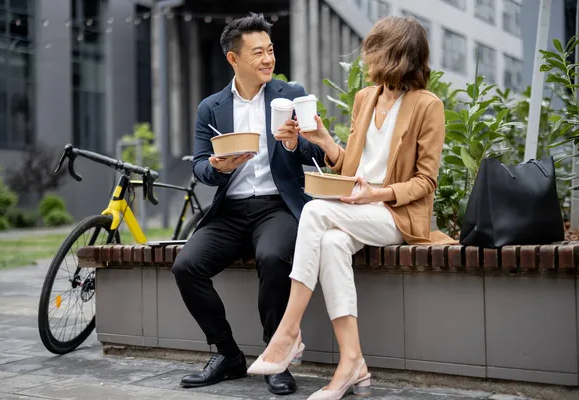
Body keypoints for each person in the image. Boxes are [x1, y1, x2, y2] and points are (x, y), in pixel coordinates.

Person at [247, 15, 455, 399]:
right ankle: (352, 363)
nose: (366, 57)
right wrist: (324, 139)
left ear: (395, 55)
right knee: (330, 244)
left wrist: (374, 194)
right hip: (358, 209)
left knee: (314, 211)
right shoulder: (365, 98)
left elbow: (425, 183)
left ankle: (288, 332)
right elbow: (350, 167)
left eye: (374, 50)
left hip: (396, 216)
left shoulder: (428, 106)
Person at [171, 13, 325, 396]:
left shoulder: (290, 94)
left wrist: (294, 143)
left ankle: (277, 356)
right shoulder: (211, 108)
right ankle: (227, 355)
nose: (268, 59)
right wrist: (218, 167)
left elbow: (316, 150)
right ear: (233, 59)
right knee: (186, 266)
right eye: (257, 52)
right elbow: (201, 165)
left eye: (270, 50)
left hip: (277, 206)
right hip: (230, 210)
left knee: (273, 258)